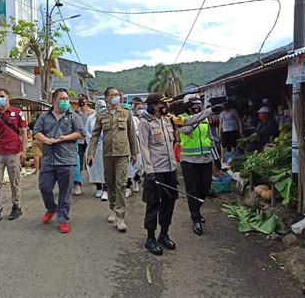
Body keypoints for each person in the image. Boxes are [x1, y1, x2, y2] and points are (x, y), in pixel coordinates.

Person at [87, 87, 139, 232]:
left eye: (118, 94)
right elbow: (95, 135)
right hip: (107, 154)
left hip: (122, 154)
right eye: (113, 95)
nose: (116, 97)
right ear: (107, 98)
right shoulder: (101, 116)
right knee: (109, 183)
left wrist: (134, 153)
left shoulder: (126, 113)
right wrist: (90, 153)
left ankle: (121, 217)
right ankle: (113, 209)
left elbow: (131, 135)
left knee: (121, 183)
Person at [33, 88, 85, 233]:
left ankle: (63, 219)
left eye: (67, 99)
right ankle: (51, 208)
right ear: (54, 100)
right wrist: (46, 140)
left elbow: (81, 132)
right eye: (62, 99)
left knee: (65, 192)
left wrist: (65, 138)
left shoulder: (73, 116)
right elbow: (36, 132)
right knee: (44, 187)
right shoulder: (44, 116)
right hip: (49, 159)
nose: (65, 101)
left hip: (67, 159)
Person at [175, 94, 223, 236]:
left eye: (198, 105)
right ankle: (195, 217)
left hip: (206, 159)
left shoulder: (205, 118)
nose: (197, 107)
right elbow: (186, 130)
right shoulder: (180, 118)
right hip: (189, 161)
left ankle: (197, 209)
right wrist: (199, 117)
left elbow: (209, 138)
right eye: (194, 105)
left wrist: (216, 157)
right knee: (192, 190)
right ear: (187, 107)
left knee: (205, 187)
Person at [138, 93, 178, 256]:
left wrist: (209, 111)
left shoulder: (168, 119)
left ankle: (164, 234)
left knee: (169, 202)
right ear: (155, 106)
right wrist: (149, 171)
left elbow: (188, 121)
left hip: (170, 169)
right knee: (153, 203)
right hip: (156, 171)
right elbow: (144, 147)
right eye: (164, 103)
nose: (166, 106)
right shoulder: (145, 123)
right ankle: (150, 238)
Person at [0, 88, 28, 226]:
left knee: (15, 181)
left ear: (8, 97)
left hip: (14, 152)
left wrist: (24, 151)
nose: (0, 99)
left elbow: (24, 132)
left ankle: (16, 206)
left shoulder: (17, 113)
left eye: (2, 96)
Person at [84, 100, 108, 200]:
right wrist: (94, 139)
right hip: (94, 146)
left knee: (106, 168)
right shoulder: (90, 118)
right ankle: (98, 187)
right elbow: (86, 131)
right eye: (99, 106)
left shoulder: (109, 117)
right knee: (95, 167)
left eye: (103, 106)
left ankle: (106, 189)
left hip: (106, 146)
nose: (101, 108)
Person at [75, 94, 95, 196]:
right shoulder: (76, 114)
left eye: (83, 102)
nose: (82, 104)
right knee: (78, 160)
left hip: (90, 139)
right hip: (79, 140)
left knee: (91, 160)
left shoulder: (92, 113)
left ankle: (94, 178)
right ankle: (78, 182)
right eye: (80, 102)